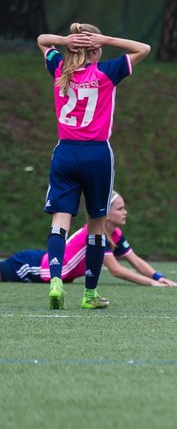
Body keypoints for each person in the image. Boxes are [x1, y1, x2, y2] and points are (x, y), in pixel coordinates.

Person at [37, 23, 152, 310]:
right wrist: (109, 39)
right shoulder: (106, 72)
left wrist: (65, 40)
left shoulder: (60, 69)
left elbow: (41, 40)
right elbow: (144, 48)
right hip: (97, 155)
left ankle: (55, 282)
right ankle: (89, 294)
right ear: (97, 48)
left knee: (60, 220)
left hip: (65, 152)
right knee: (97, 225)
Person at [1, 192, 177, 289]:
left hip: (39, 266)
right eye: (120, 208)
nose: (125, 212)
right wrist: (151, 283)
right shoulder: (95, 234)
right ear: (107, 214)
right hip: (31, 265)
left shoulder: (115, 233)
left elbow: (135, 260)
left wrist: (159, 277)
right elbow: (116, 270)